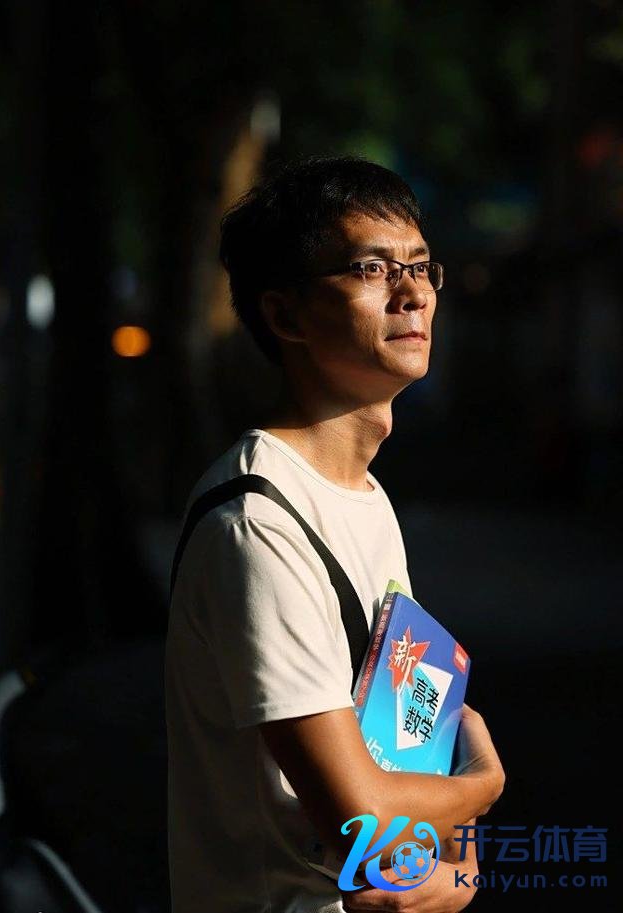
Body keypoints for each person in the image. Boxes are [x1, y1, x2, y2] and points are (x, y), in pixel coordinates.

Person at [164, 155, 505, 913]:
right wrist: (482, 786)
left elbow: (406, 750)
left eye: (421, 266)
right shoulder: (258, 526)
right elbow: (365, 830)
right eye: (371, 268)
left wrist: (457, 868)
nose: (413, 292)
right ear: (285, 316)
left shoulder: (364, 496)